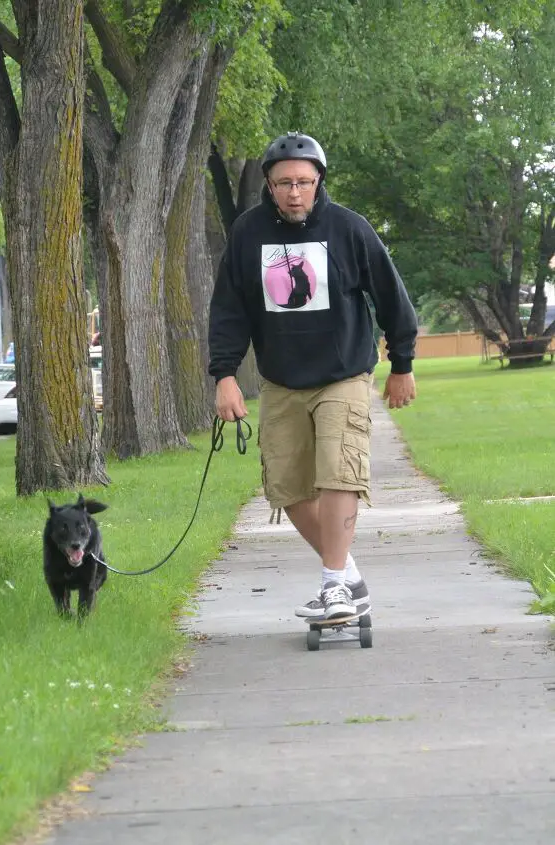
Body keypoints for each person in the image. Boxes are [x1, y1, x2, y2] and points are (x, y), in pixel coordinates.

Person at [208, 132, 417, 620]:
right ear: (269, 184)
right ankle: (347, 576)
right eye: (285, 183)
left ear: (319, 181)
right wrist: (225, 375)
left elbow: (391, 294)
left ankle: (332, 585)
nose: (295, 192)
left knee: (338, 470)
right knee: (287, 488)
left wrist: (401, 363)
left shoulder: (348, 228)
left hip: (342, 374)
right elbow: (229, 311)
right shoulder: (248, 233)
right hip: (281, 380)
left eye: (304, 182)